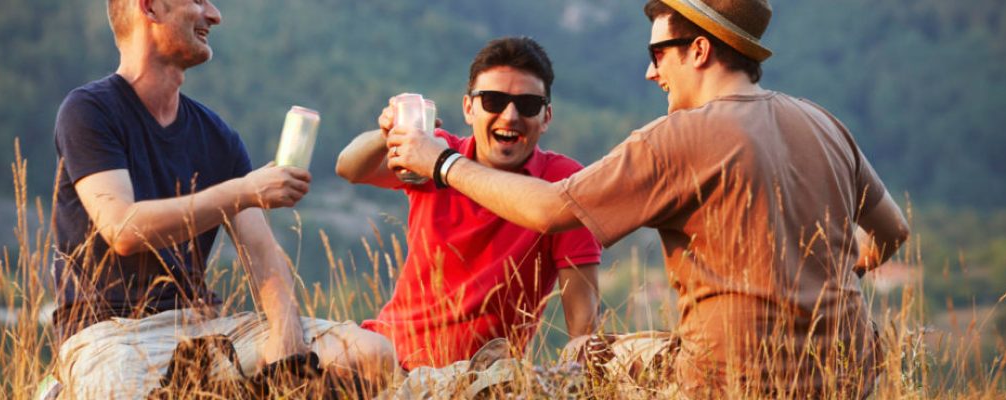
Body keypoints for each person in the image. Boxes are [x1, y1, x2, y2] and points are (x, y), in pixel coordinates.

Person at [383, 0, 911, 397]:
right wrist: (832, 280)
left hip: (726, 379)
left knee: (584, 353)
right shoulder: (824, 124)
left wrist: (442, 163)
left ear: (699, 50)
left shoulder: (678, 135)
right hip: (848, 375)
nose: (651, 70)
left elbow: (547, 210)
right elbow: (894, 232)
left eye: (658, 53)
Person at [50, 0, 395, 398]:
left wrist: (286, 341)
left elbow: (262, 254)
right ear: (149, 8)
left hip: (203, 327)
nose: (214, 15)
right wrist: (243, 191)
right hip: (111, 334)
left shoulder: (217, 135)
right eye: (198, 1)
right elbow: (123, 229)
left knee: (372, 355)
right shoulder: (90, 111)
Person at [336, 37, 603, 371]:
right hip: (384, 360)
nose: (510, 115)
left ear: (546, 117)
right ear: (468, 108)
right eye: (493, 100)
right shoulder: (434, 152)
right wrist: (386, 133)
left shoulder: (562, 183)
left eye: (528, 105)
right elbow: (349, 167)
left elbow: (584, 323)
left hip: (475, 379)